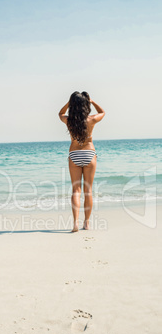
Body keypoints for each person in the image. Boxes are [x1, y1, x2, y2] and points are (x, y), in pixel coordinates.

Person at [58, 91, 105, 232]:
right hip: (89, 153)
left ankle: (75, 224)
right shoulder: (91, 119)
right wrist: (92, 101)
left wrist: (69, 102)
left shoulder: (69, 120)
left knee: (76, 191)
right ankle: (87, 223)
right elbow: (103, 112)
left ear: (73, 105)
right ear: (85, 104)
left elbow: (60, 114)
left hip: (74, 154)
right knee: (88, 191)